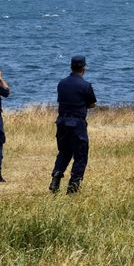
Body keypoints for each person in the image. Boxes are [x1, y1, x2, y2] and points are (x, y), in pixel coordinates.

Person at [49, 55, 96, 194]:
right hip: (77, 123)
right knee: (80, 155)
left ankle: (57, 175)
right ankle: (73, 187)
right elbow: (92, 104)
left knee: (64, 152)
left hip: (62, 122)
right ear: (83, 68)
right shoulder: (86, 86)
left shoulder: (61, 83)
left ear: (71, 67)